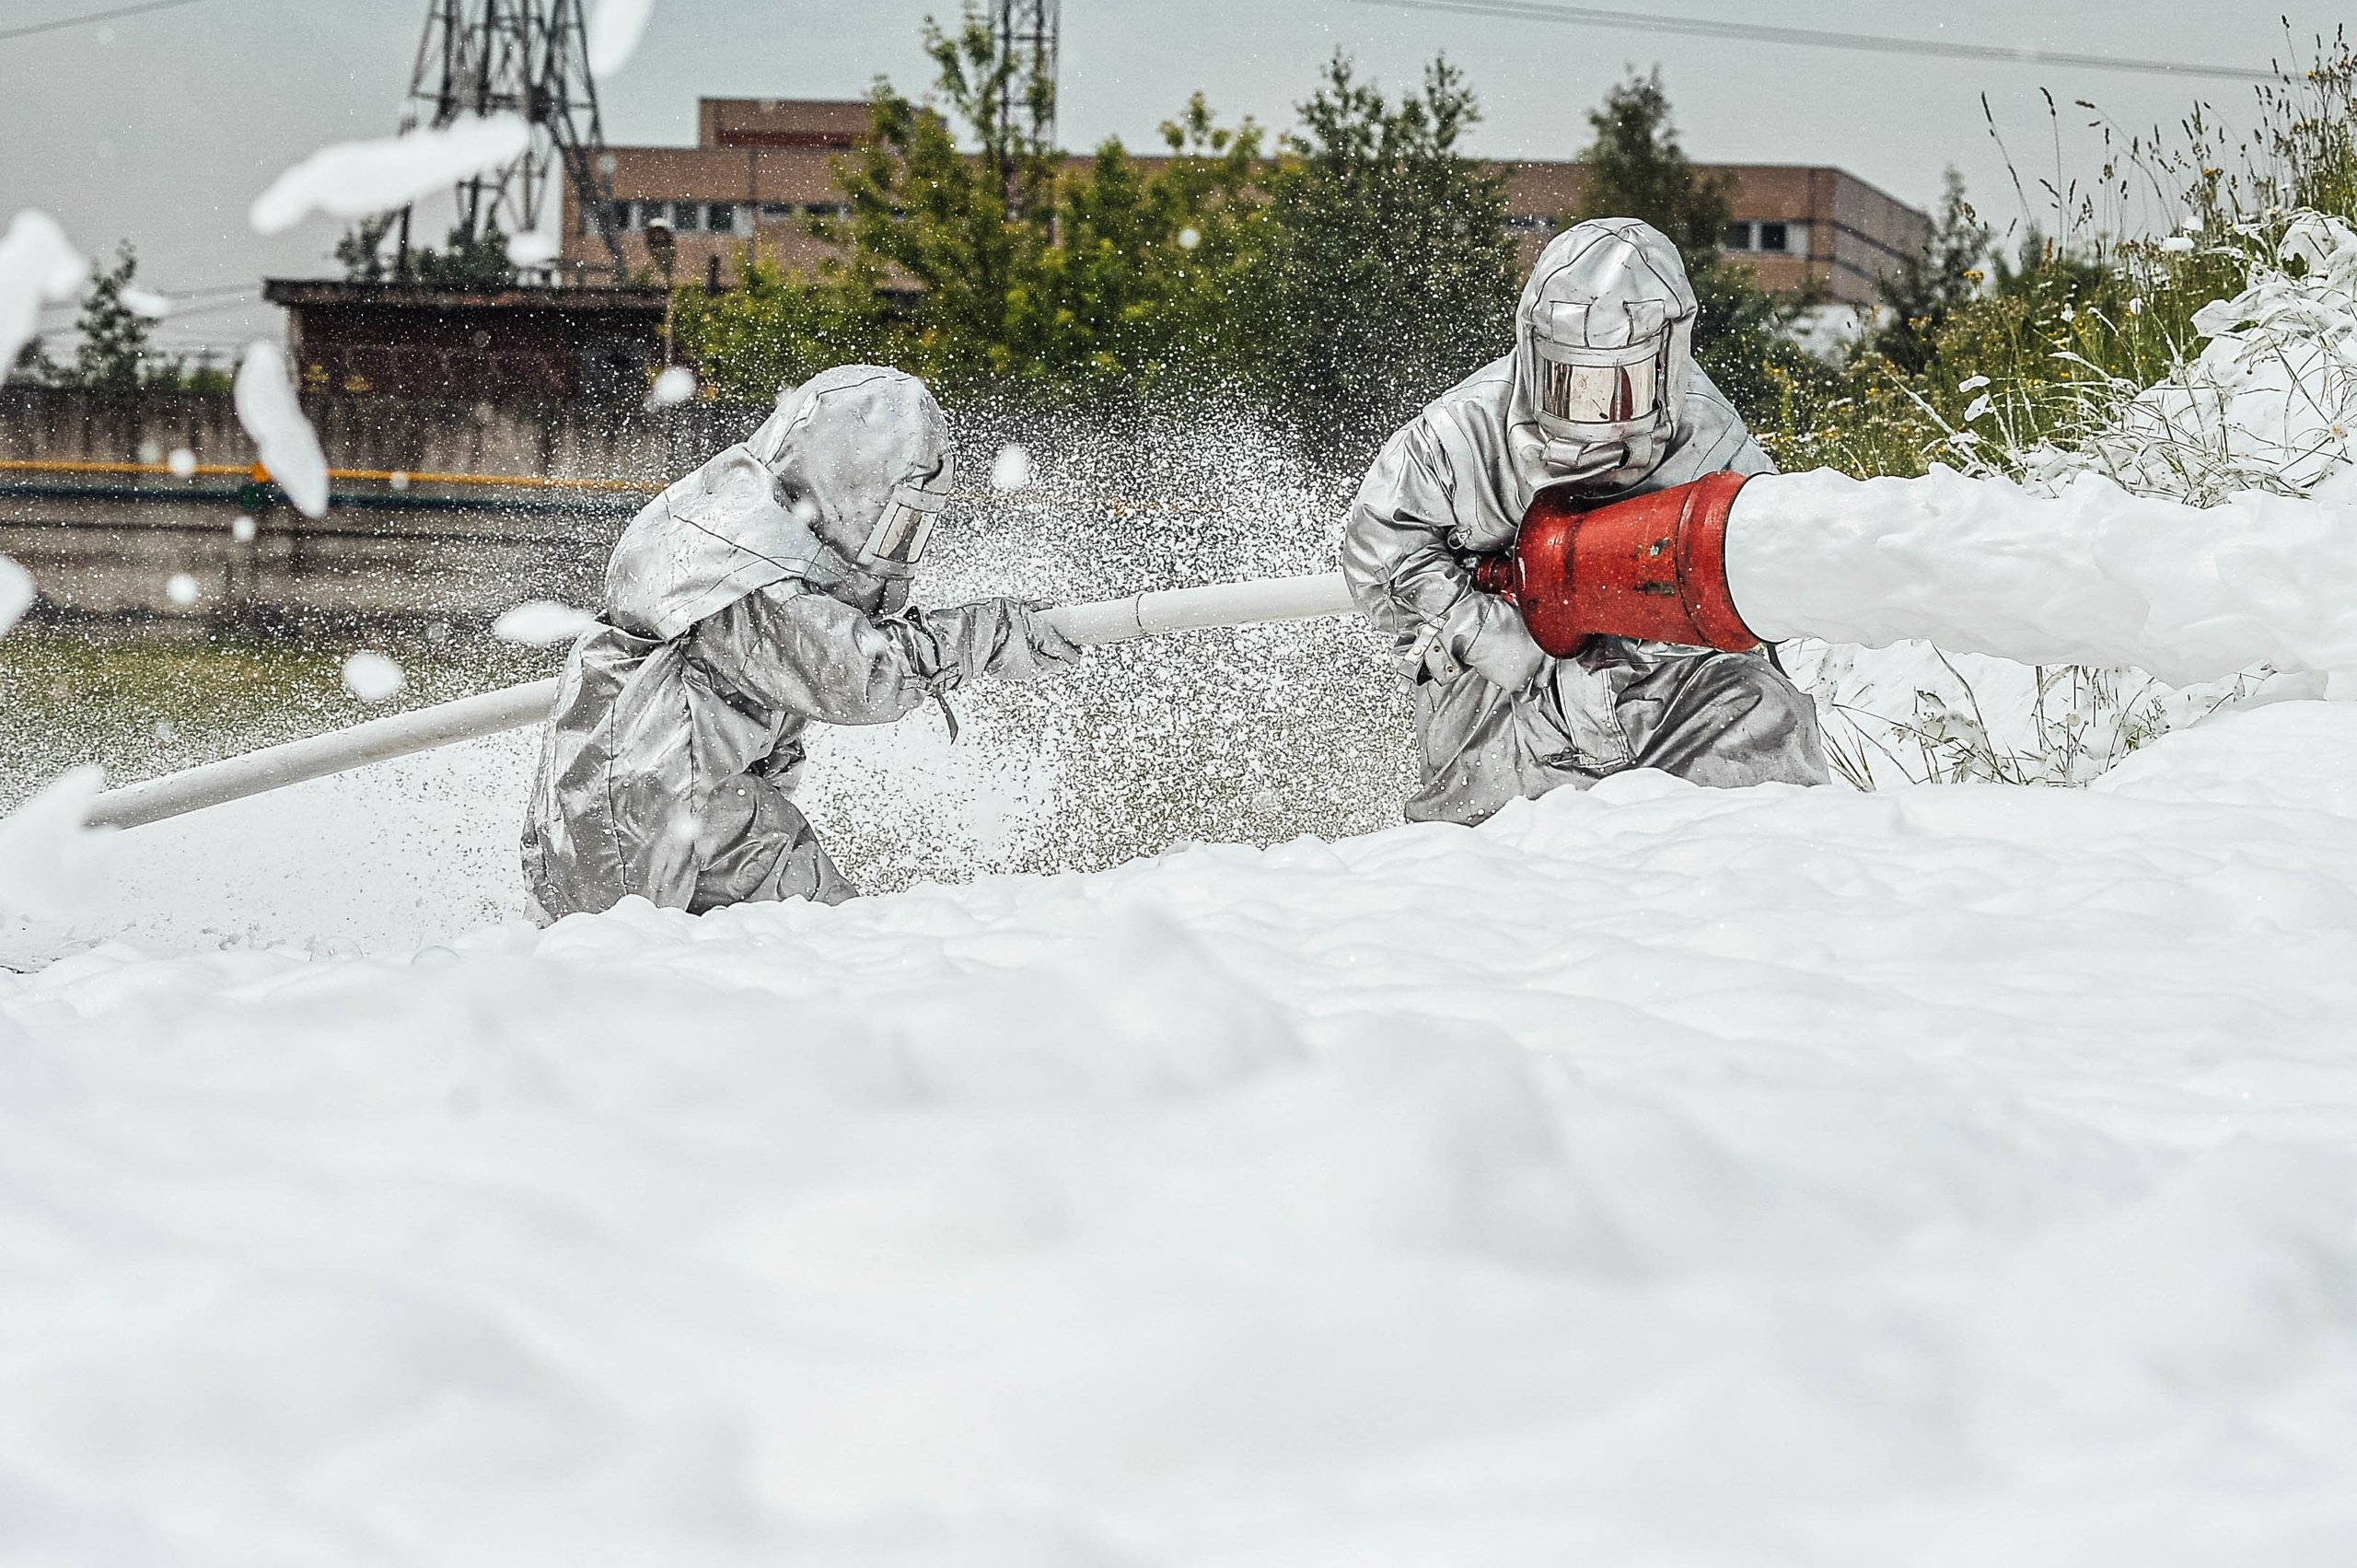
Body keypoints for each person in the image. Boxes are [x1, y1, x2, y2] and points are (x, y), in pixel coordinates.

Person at [521, 365, 1079, 919]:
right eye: (897, 518)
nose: (899, 544)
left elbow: (746, 699)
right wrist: (992, 633)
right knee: (831, 942)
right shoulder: (756, 577)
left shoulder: (721, 527)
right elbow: (865, 675)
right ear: (853, 487)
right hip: (674, 814)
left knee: (618, 961)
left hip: (599, 817)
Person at [1342, 216, 1829, 825]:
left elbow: (1761, 561)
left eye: (1621, 384)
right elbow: (1378, 549)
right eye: (1568, 381)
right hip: (1504, 706)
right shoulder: (1459, 434)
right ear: (1533, 350)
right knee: (1470, 860)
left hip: (1670, 695)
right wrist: (1494, 634)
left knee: (1767, 743)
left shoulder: (1708, 437)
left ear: (1667, 362)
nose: (1594, 413)